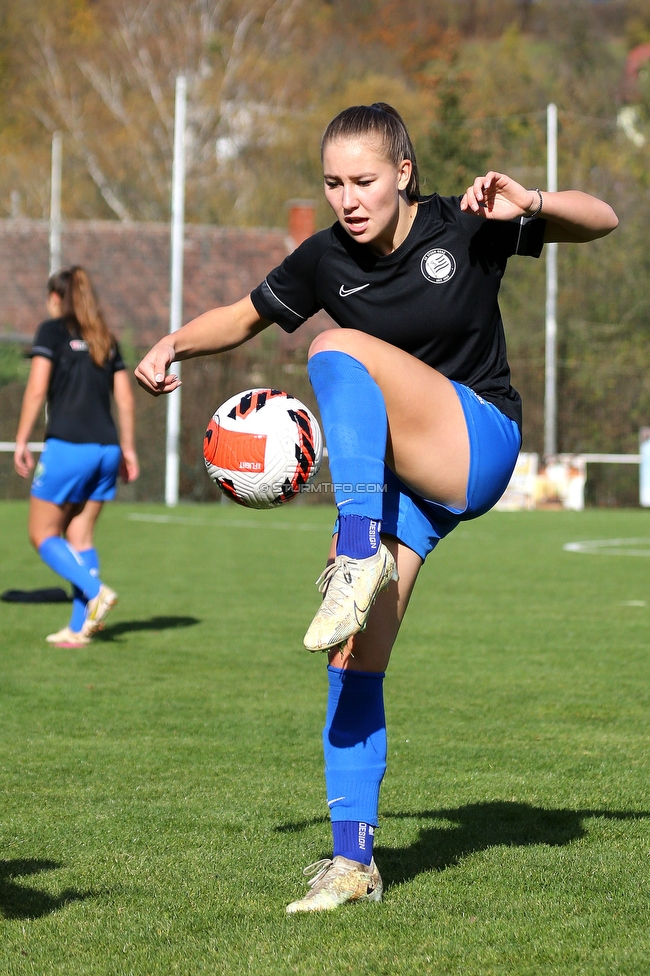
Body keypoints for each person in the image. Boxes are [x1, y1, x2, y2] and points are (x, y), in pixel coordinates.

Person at [134, 103, 618, 912]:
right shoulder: (325, 259)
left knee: (333, 345)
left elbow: (602, 219)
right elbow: (245, 315)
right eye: (332, 183)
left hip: (476, 441)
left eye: (363, 180)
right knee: (353, 659)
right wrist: (172, 343)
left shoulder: (466, 225)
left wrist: (530, 201)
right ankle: (353, 863)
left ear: (404, 174)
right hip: (400, 482)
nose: (347, 198)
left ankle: (356, 551)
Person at [14, 266, 139, 648]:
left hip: (68, 446)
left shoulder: (51, 332)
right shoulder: (105, 338)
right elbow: (125, 397)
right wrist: (129, 449)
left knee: (42, 534)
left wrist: (21, 439)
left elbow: (36, 389)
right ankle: (78, 628)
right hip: (106, 449)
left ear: (56, 297)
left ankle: (95, 590)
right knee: (79, 533)